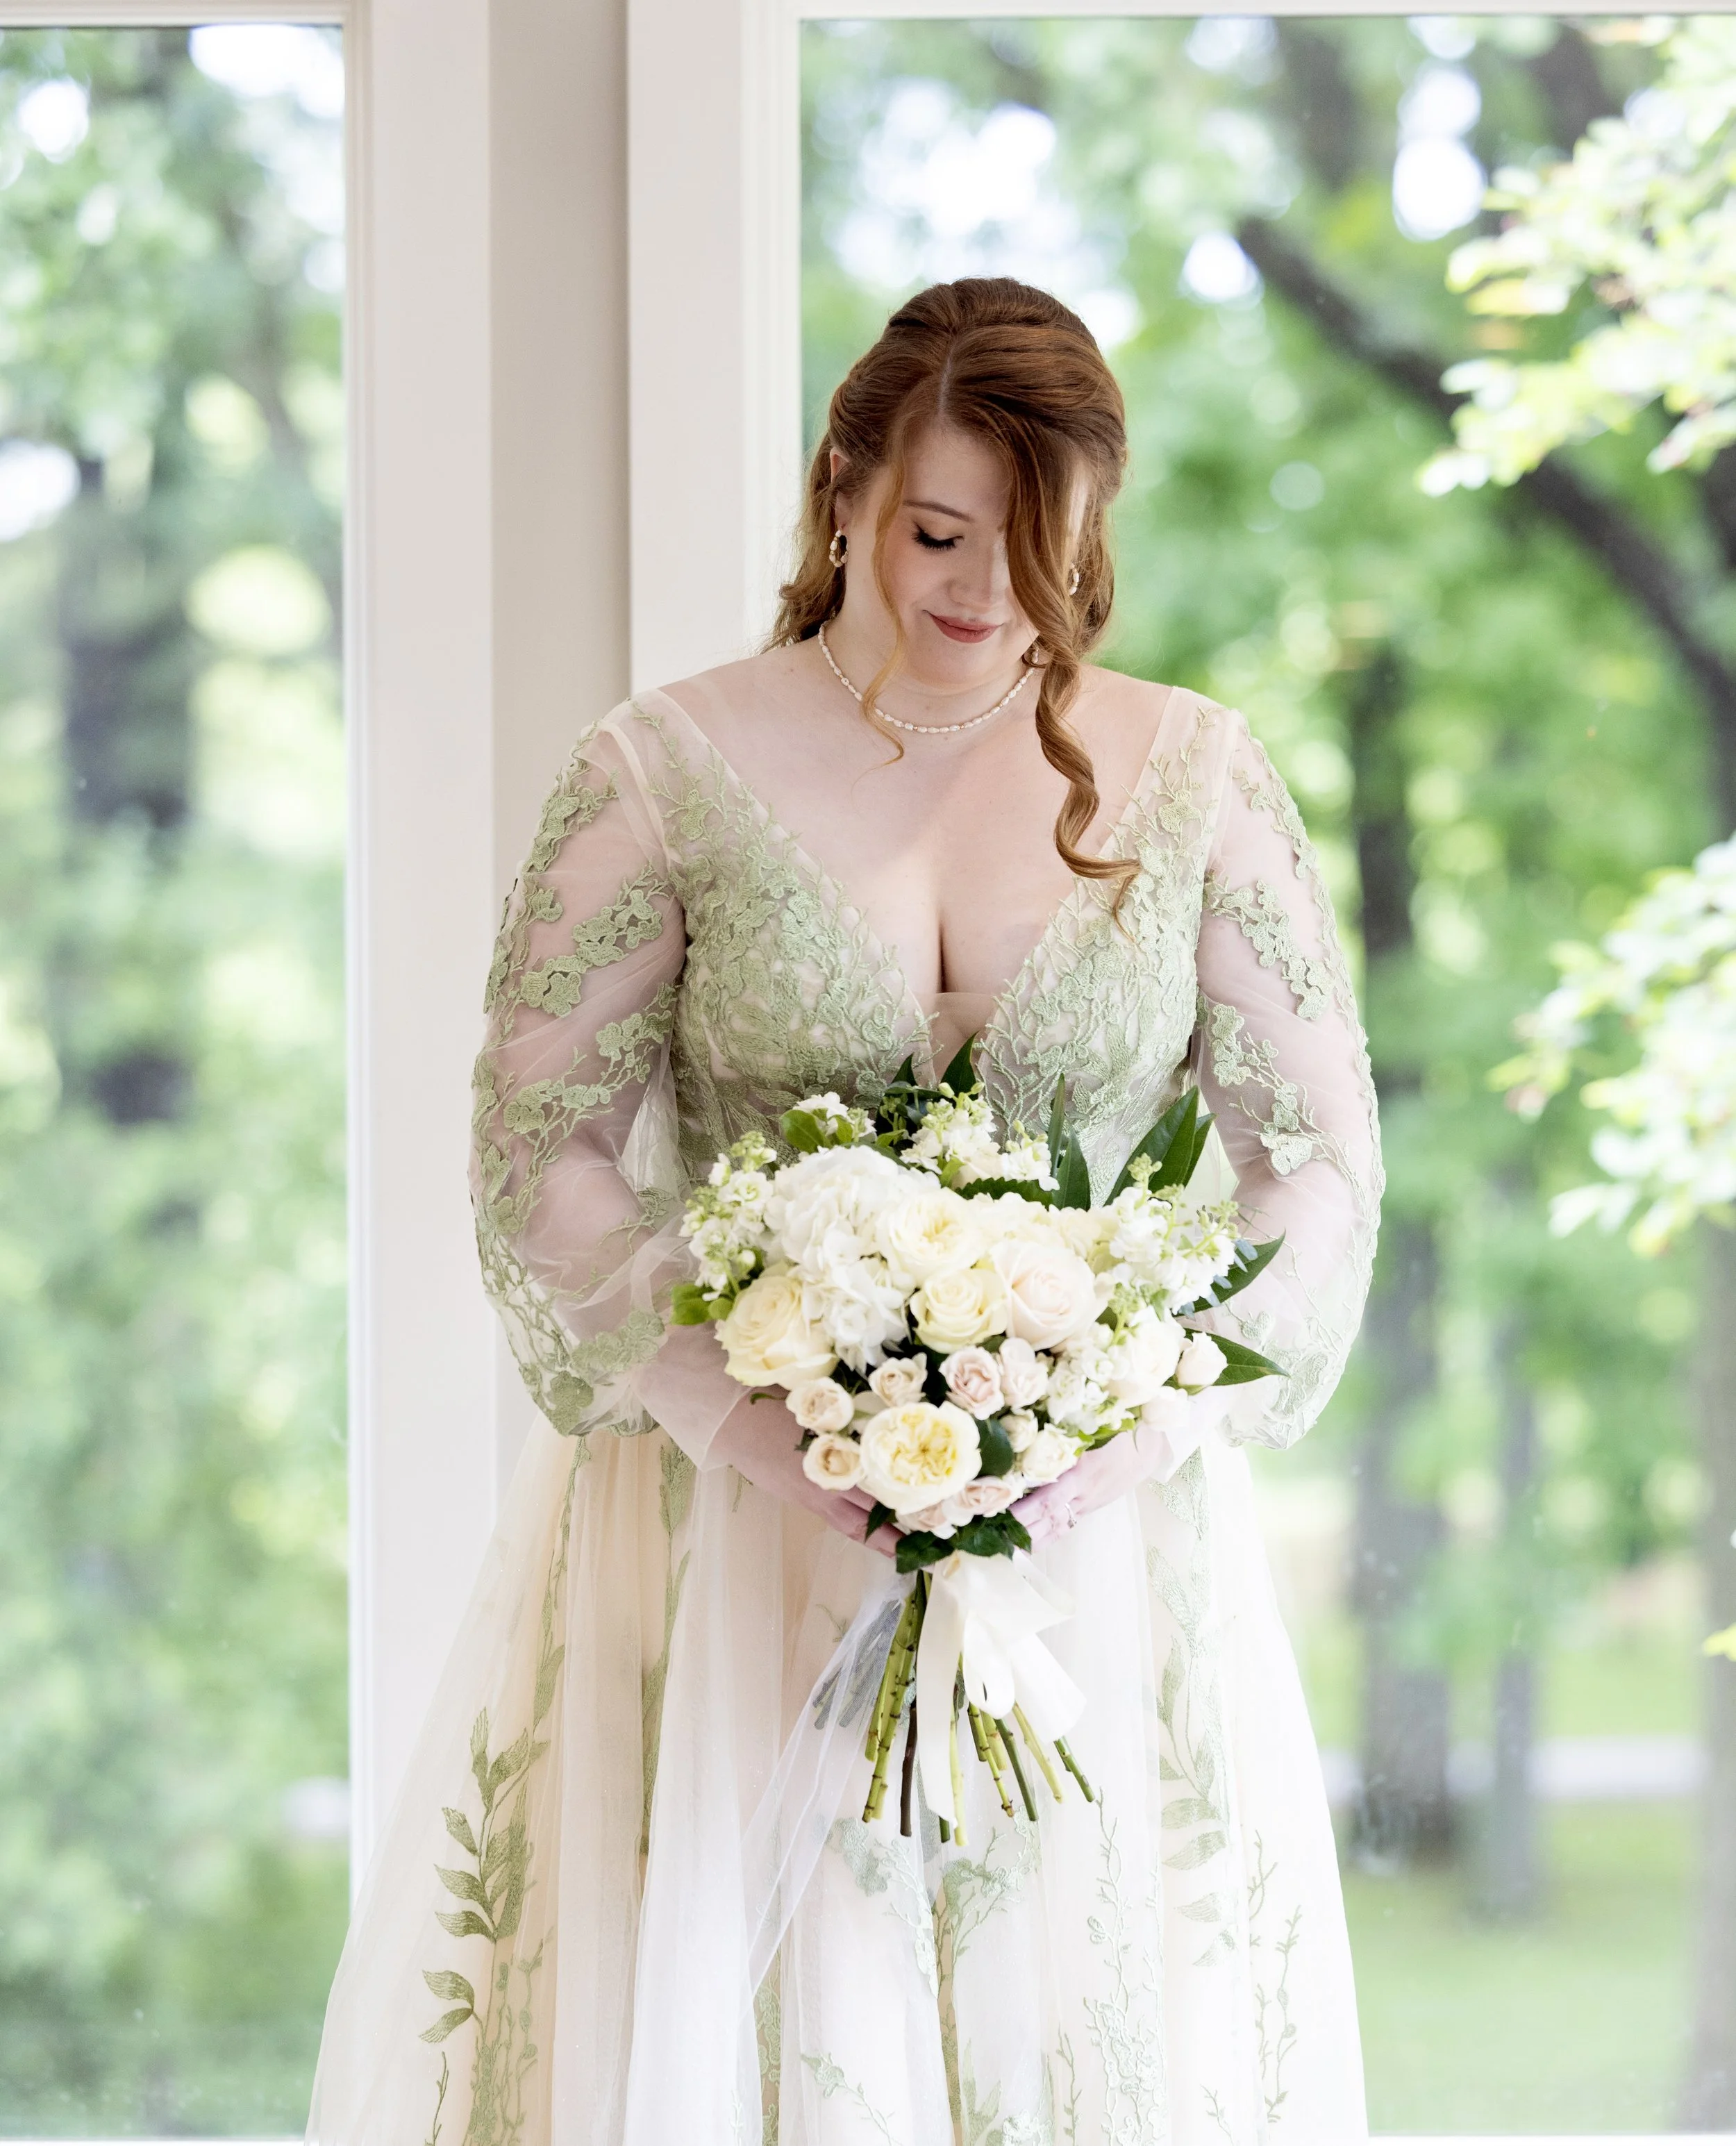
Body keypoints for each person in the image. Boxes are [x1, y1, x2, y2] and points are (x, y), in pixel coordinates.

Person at [306, 277, 1381, 2146]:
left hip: (1091, 1554)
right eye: (938, 534)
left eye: (1038, 547)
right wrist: (744, 1411)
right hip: (729, 1518)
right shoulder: (658, 769)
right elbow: (537, 1145)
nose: (983, 596)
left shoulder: (1195, 776)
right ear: (844, 494)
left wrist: (1126, 1422)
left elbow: (1317, 1167)